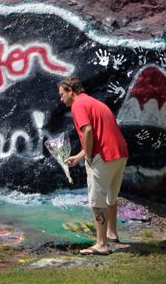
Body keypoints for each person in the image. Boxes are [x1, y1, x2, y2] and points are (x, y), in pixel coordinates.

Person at [57, 77, 129, 255]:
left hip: (102, 155)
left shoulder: (78, 105)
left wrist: (87, 155)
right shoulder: (95, 103)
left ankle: (101, 244)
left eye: (62, 94)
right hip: (120, 153)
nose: (61, 99)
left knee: (97, 201)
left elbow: (87, 130)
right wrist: (80, 156)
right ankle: (112, 234)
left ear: (71, 92)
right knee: (111, 197)